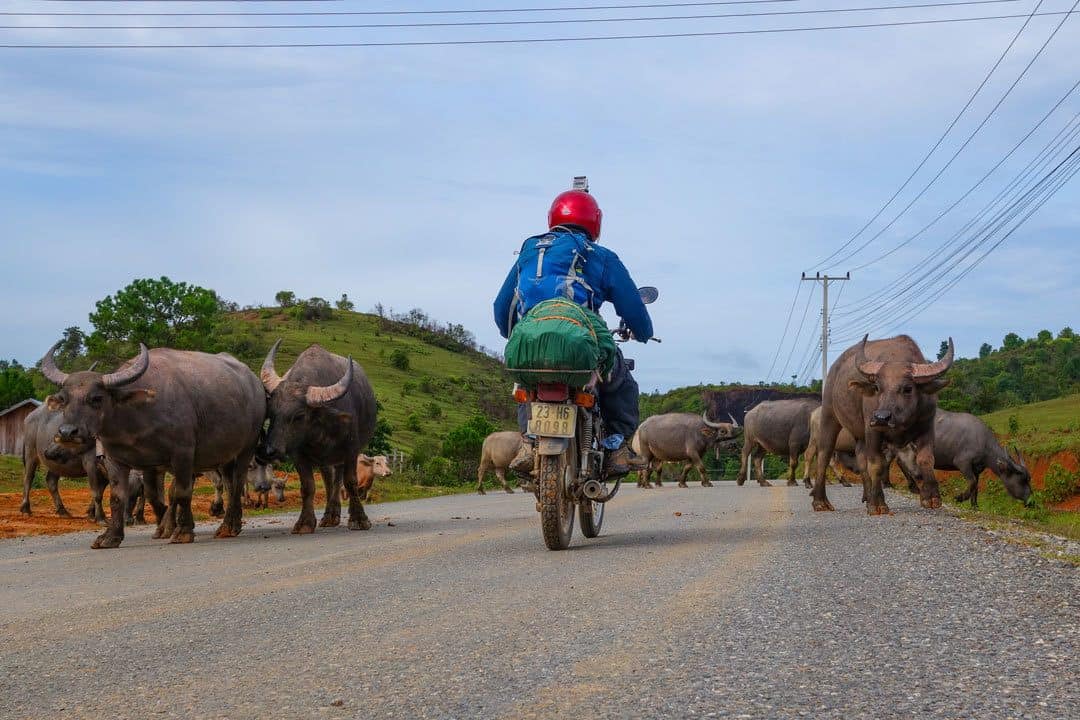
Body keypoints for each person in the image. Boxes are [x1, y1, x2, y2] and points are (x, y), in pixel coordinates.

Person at [493, 183, 653, 478]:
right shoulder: (601, 256)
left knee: (527, 386)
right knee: (621, 384)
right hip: (582, 340)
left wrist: (517, 336)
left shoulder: (529, 254)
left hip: (528, 338)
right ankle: (617, 447)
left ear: (552, 218)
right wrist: (643, 331)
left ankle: (529, 442)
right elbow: (632, 305)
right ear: (595, 221)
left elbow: (501, 307)